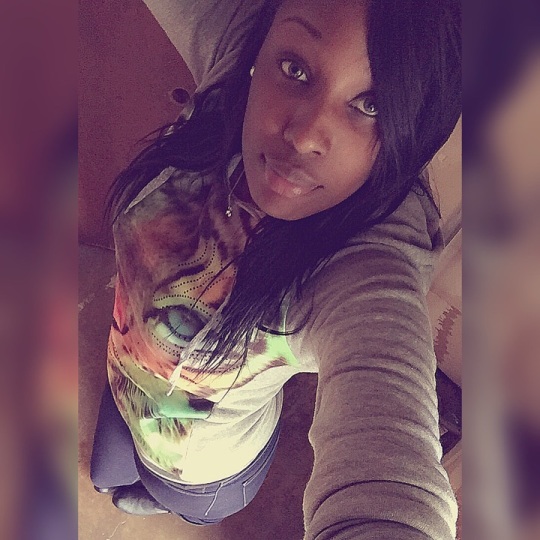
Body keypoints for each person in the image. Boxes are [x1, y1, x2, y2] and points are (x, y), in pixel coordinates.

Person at [90, 0, 462, 537]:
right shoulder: (236, 60)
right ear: (261, 49)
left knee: (169, 498)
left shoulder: (368, 261)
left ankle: (170, 503)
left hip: (205, 471)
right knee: (107, 473)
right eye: (296, 69)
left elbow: (389, 468)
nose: (306, 134)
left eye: (371, 105)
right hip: (122, 382)